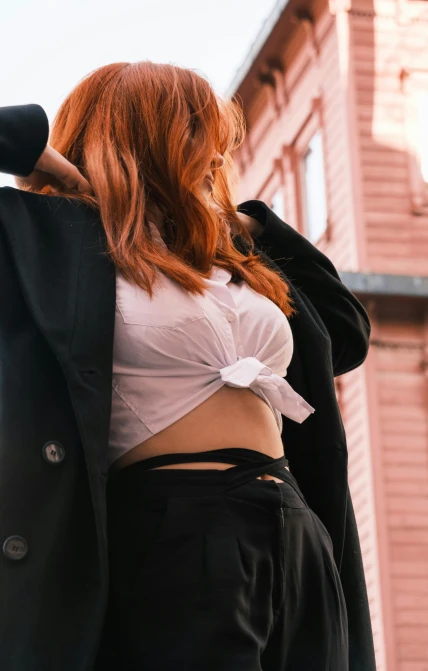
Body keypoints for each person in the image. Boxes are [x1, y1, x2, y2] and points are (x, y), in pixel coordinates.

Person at [0, 62, 376, 671]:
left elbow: (345, 332)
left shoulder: (226, 258)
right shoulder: (46, 239)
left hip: (297, 531)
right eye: (200, 134)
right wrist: (26, 147)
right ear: (149, 137)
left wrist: (240, 221)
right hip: (178, 526)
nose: (218, 157)